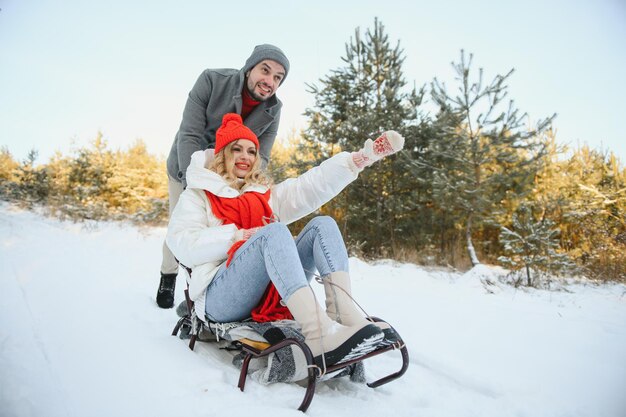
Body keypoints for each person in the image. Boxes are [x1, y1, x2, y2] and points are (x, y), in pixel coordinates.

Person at [166, 113, 404, 368]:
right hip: (219, 296)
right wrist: (236, 236)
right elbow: (182, 244)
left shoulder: (262, 195)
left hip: (265, 289)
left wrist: (356, 161)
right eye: (237, 149)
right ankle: (318, 335)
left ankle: (344, 316)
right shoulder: (198, 194)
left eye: (251, 151)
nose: (245, 156)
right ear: (222, 153)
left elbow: (308, 187)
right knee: (274, 231)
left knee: (322, 225)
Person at [157, 44, 290, 308]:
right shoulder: (212, 80)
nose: (270, 81)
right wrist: (190, 182)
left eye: (278, 77)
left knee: (223, 230)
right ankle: (168, 275)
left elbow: (261, 155)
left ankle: (209, 289)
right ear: (250, 67)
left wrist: (247, 188)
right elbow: (190, 133)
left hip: (233, 178)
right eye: (265, 70)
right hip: (188, 167)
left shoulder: (273, 110)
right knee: (182, 224)